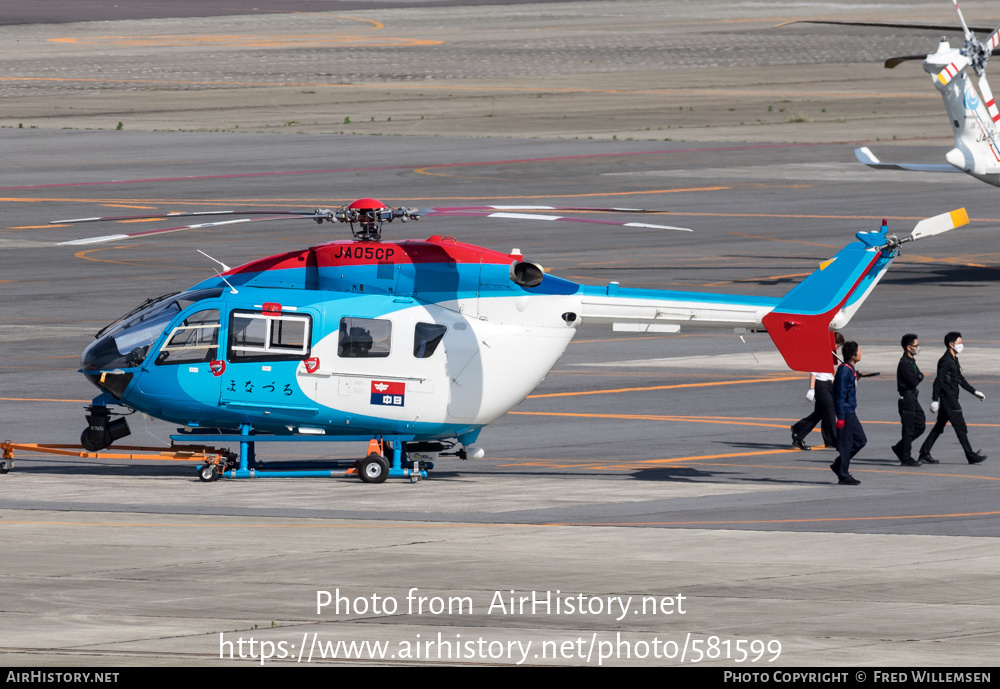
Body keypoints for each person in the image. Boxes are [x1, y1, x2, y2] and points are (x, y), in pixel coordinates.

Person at [918, 332, 987, 464]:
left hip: (950, 398)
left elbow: (960, 379)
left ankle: (924, 452)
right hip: (949, 400)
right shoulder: (946, 361)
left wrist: (974, 392)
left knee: (939, 427)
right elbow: (938, 381)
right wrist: (934, 400)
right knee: (960, 427)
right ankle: (970, 455)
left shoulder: (954, 359)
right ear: (951, 344)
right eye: (959, 343)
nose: (961, 345)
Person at [791, 332, 846, 451]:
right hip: (820, 385)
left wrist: (834, 384)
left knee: (819, 414)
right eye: (837, 345)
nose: (837, 348)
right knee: (831, 413)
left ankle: (799, 432)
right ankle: (835, 440)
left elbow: (829, 373)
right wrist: (811, 389)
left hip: (827, 384)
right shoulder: (820, 351)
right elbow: (814, 371)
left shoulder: (830, 353)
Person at [832, 341, 865, 485]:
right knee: (846, 445)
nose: (861, 353)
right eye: (859, 351)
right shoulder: (844, 370)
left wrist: (856, 377)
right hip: (846, 412)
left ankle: (839, 465)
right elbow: (839, 395)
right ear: (853, 355)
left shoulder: (849, 369)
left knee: (860, 440)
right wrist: (840, 417)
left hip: (851, 410)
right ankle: (843, 475)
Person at [891, 334, 926, 467]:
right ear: (908, 347)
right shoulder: (904, 363)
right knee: (908, 428)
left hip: (913, 397)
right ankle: (906, 457)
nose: (918, 348)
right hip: (907, 398)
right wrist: (918, 377)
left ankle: (901, 447)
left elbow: (919, 376)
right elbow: (914, 380)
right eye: (916, 346)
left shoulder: (911, 361)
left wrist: (918, 376)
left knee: (920, 425)